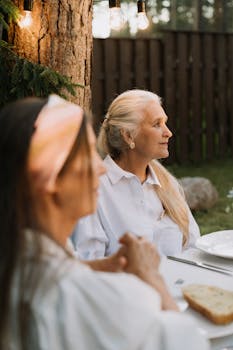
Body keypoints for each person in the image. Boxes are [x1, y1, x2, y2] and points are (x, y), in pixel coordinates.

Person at [0, 95, 209, 350]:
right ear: (50, 178)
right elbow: (187, 344)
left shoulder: (16, 260)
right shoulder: (96, 301)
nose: (100, 169)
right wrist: (151, 278)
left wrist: (101, 265)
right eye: (87, 156)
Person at [72, 89, 200, 259]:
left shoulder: (168, 184)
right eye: (157, 124)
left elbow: (193, 247)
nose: (168, 132)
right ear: (128, 135)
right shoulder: (94, 190)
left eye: (165, 123)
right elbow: (90, 263)